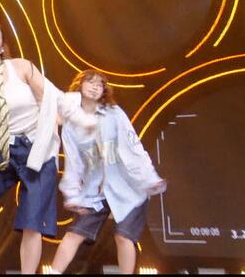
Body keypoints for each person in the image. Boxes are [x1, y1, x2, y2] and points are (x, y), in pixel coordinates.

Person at [0, 21, 96, 274]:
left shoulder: (20, 67)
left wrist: (79, 119)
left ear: (2, 48)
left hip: (37, 148)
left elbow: (53, 96)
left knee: (32, 223)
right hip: (3, 148)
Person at [50, 70, 166, 274]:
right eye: (91, 82)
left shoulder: (114, 112)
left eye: (100, 84)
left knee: (123, 236)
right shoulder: (70, 122)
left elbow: (133, 144)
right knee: (74, 234)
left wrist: (148, 177)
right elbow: (73, 160)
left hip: (128, 183)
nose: (95, 87)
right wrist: (73, 193)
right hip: (95, 187)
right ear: (80, 85)